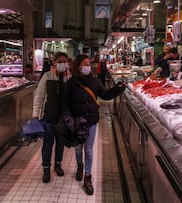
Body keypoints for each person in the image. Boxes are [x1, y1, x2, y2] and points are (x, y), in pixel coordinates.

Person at [62, 54, 125, 195]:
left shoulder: (95, 82)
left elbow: (105, 94)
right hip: (76, 122)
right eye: (84, 64)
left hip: (91, 121)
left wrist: (118, 88)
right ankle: (79, 166)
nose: (87, 66)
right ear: (78, 66)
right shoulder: (71, 83)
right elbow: (65, 103)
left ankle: (87, 176)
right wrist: (68, 118)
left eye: (88, 64)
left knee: (88, 149)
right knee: (78, 148)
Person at [32, 52, 71, 183]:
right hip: (48, 117)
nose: (62, 64)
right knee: (47, 144)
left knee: (60, 144)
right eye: (59, 61)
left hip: (63, 119)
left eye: (64, 61)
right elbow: (39, 96)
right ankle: (46, 169)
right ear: (54, 63)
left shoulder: (69, 78)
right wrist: (35, 115)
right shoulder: (47, 76)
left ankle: (58, 165)